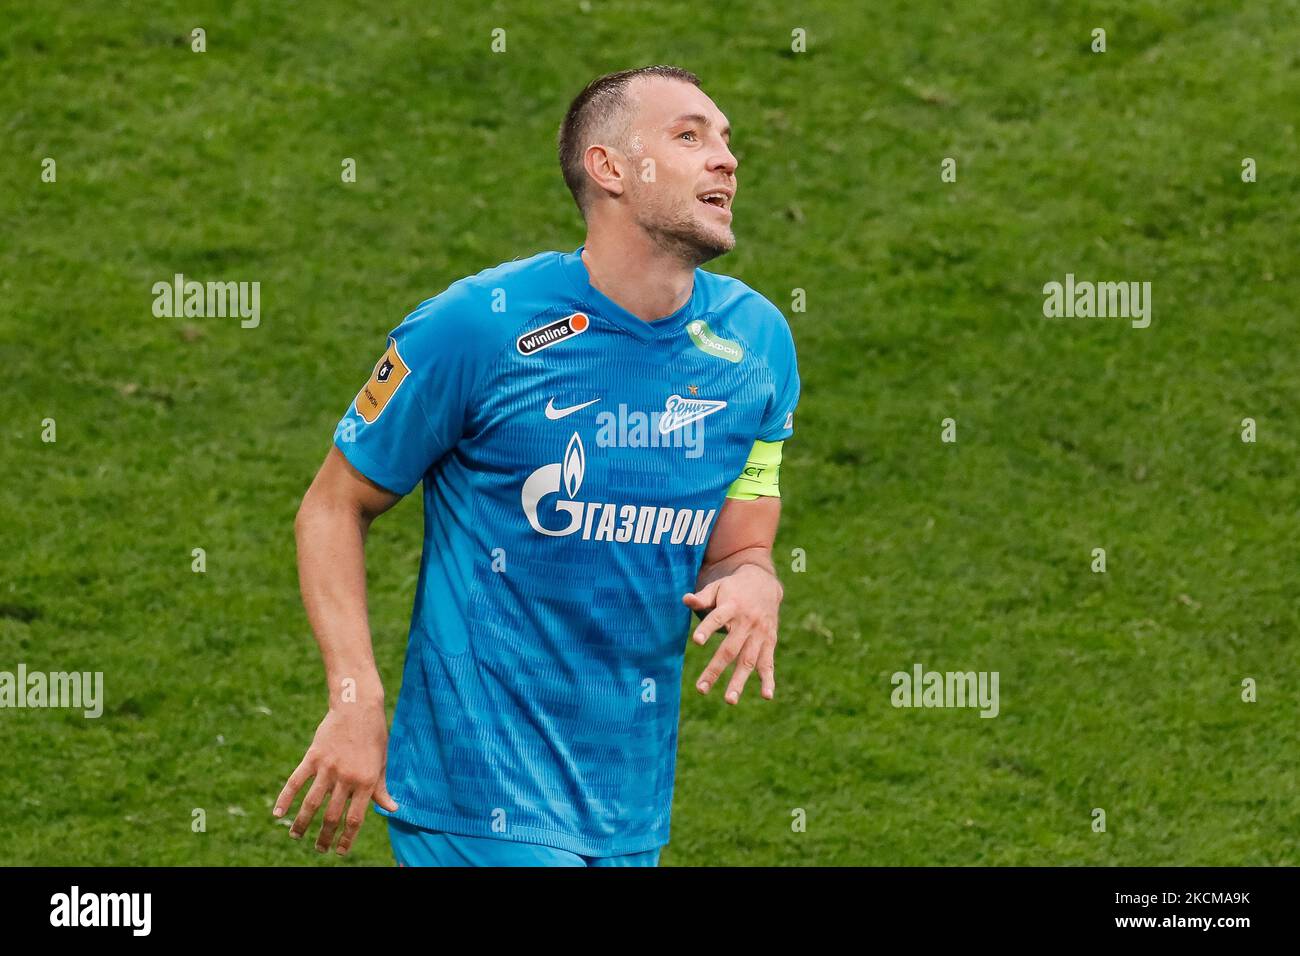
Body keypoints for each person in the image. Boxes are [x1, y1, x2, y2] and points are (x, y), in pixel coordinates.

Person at [275, 64, 801, 866]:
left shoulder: (756, 346)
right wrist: (355, 698)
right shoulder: (477, 328)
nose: (726, 158)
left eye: (726, 140)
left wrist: (756, 578)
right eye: (690, 135)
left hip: (625, 808)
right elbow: (333, 504)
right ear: (610, 168)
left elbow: (741, 544)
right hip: (473, 797)